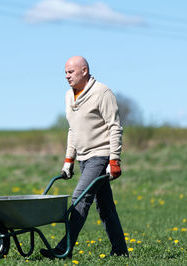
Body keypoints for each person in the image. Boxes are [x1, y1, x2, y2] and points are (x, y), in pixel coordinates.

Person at [40, 56, 128, 259]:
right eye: (65, 72)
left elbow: (114, 127)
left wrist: (114, 159)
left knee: (79, 198)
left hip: (100, 155)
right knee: (105, 207)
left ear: (84, 71)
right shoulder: (69, 96)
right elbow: (73, 130)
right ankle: (121, 251)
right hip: (83, 158)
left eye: (70, 72)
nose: (66, 76)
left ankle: (64, 249)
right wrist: (68, 160)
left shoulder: (102, 93)